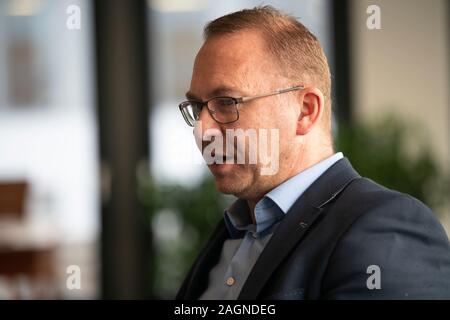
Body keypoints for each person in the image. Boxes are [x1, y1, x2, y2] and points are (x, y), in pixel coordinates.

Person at [175, 6, 450, 299]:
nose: (201, 130)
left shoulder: (384, 226)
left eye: (226, 102)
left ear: (305, 110)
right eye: (198, 107)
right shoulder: (232, 231)